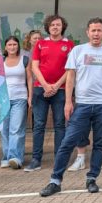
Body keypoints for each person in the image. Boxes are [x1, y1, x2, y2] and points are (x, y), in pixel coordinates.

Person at [40, 18, 102, 197]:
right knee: (67, 142)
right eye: (93, 30)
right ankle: (55, 181)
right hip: (82, 104)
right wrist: (68, 101)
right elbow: (70, 77)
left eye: (99, 30)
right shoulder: (77, 50)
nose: (96, 34)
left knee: (100, 144)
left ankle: (92, 179)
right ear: (87, 32)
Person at [27, 14, 73, 172]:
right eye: (52, 25)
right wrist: (46, 85)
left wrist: (56, 85)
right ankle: (36, 159)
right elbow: (34, 67)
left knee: (60, 125)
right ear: (48, 27)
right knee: (39, 125)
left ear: (62, 27)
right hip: (41, 90)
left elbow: (70, 69)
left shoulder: (69, 45)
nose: (55, 27)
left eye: (58, 25)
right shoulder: (40, 44)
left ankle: (59, 159)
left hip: (60, 91)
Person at [0, 36, 30, 170]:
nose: (12, 47)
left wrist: (30, 97)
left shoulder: (24, 60)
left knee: (16, 129)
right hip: (4, 99)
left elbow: (29, 78)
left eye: (14, 45)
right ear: (5, 47)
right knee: (4, 129)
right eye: (9, 45)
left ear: (18, 46)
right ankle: (6, 157)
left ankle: (15, 158)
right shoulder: (1, 61)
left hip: (20, 98)